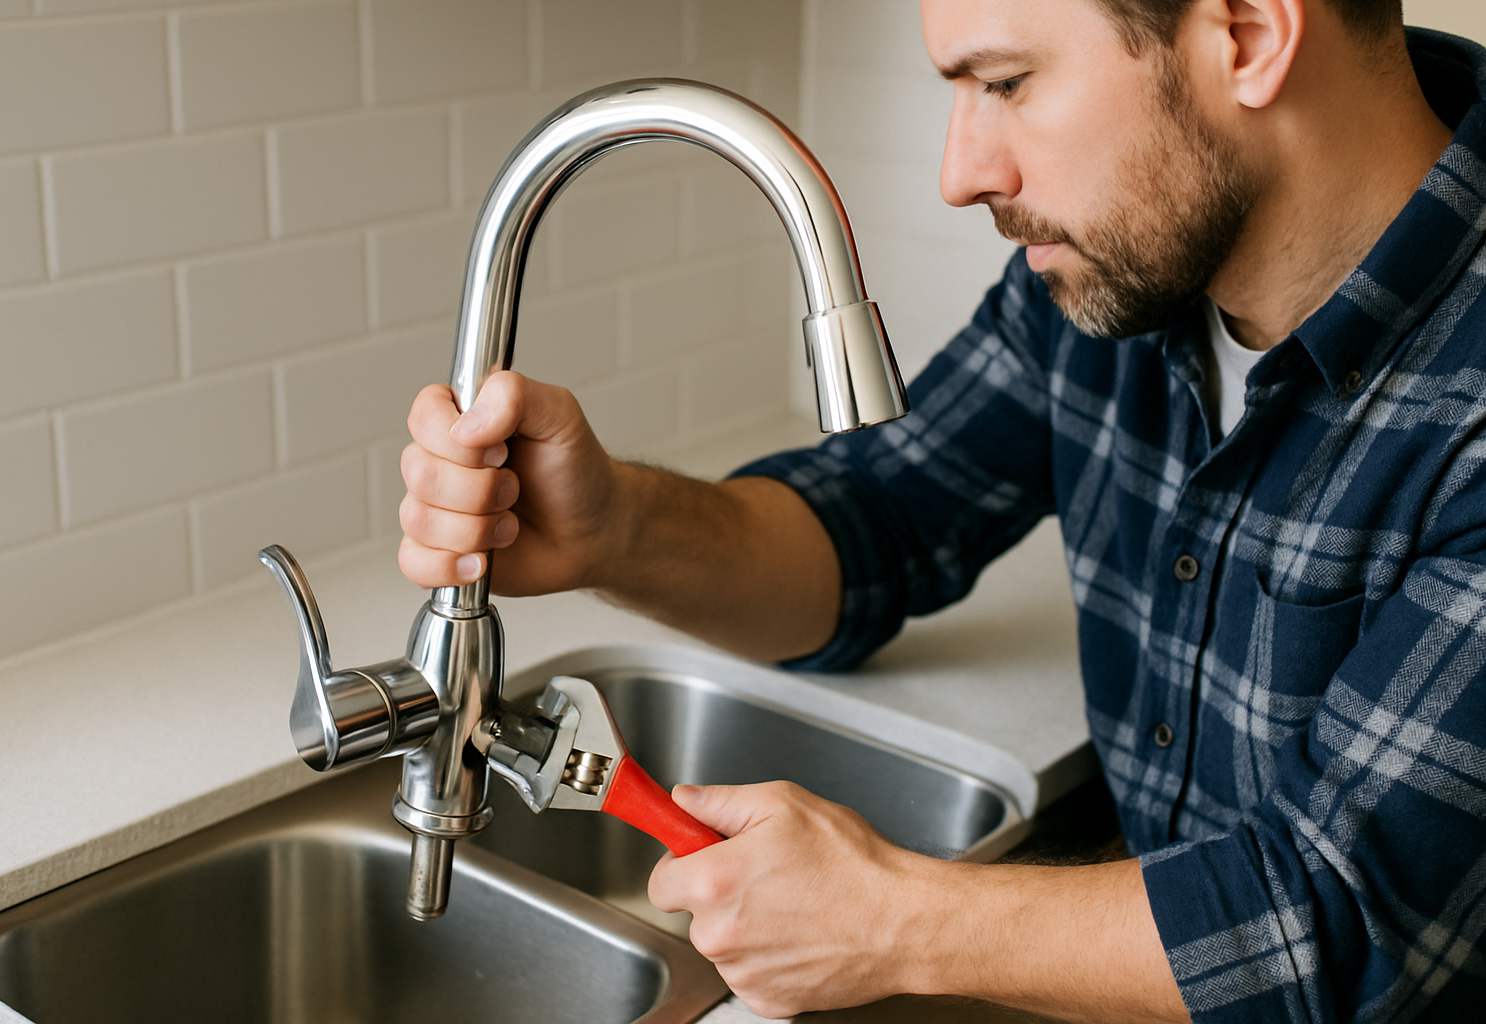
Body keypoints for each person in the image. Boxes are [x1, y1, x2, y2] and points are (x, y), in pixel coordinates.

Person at [398, 0, 1486, 1019]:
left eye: (1006, 83)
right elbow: (876, 525)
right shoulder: (1127, 268)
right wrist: (614, 529)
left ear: (1249, 33)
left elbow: (1340, 929)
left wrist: (889, 919)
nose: (961, 173)